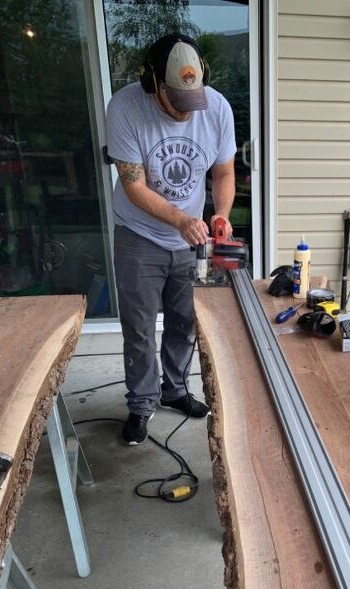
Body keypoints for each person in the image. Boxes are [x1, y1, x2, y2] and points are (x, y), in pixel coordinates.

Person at [106, 33, 236, 445]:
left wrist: (219, 214)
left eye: (191, 100)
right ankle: (141, 404)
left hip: (190, 237)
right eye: (177, 102)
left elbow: (224, 173)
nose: (186, 113)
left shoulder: (216, 108)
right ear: (154, 84)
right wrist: (181, 219)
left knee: (184, 322)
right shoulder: (125, 107)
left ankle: (175, 390)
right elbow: (134, 186)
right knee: (140, 327)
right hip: (139, 234)